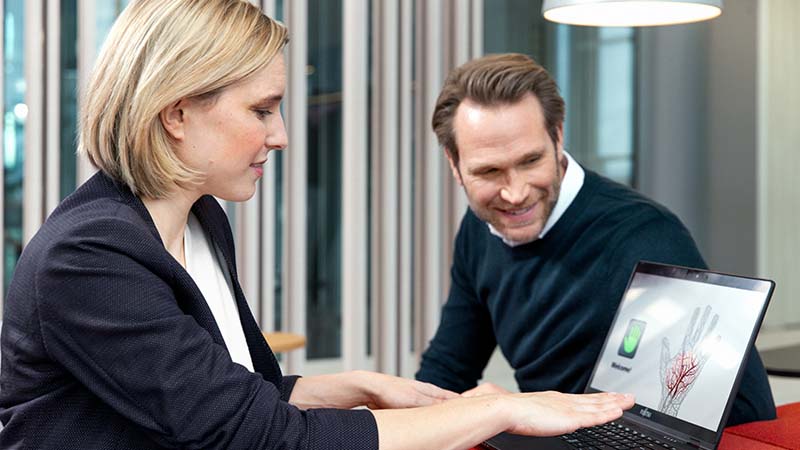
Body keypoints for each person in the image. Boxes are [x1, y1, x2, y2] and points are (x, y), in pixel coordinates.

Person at [0, 2, 634, 449]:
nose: (279, 136)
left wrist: (359, 387)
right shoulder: (90, 256)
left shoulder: (201, 221)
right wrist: (501, 408)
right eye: (262, 109)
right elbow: (251, 435)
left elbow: (244, 392)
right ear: (176, 113)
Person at [415, 53, 776, 426]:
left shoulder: (644, 235)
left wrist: (519, 411)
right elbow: (448, 369)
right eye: (489, 171)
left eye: (530, 161)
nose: (515, 193)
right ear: (454, 164)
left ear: (557, 136)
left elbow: (748, 413)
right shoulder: (481, 228)